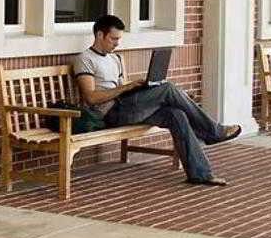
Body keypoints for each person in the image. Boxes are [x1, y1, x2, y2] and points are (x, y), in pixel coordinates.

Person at [73, 14, 241, 186]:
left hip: (126, 106)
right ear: (100, 35)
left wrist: (138, 88)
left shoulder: (115, 58)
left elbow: (121, 90)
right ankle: (213, 131)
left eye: (119, 39)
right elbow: (91, 98)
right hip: (109, 114)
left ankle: (200, 174)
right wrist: (126, 87)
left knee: (176, 114)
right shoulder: (85, 59)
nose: (117, 43)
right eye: (113, 39)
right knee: (167, 89)